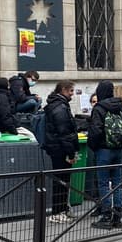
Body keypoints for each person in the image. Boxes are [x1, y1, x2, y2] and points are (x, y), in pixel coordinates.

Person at [88, 80, 122, 230]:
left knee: (103, 183)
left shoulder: (99, 108)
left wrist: (94, 146)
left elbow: (96, 131)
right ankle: (118, 215)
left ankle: (106, 216)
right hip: (119, 150)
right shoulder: (121, 106)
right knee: (117, 182)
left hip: (103, 150)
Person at [43, 81, 80, 224]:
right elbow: (64, 133)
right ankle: (58, 212)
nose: (72, 94)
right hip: (60, 149)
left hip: (57, 148)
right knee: (61, 180)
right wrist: (70, 153)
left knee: (63, 180)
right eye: (71, 91)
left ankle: (62, 209)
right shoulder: (60, 107)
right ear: (63, 90)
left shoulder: (59, 104)